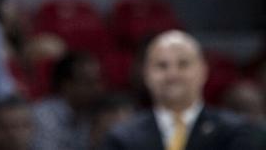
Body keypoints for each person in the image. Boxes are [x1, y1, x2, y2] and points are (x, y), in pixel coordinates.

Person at [100, 30, 261, 150]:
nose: (172, 75)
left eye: (183, 64)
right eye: (161, 66)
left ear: (203, 71)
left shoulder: (234, 132)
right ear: (146, 75)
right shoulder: (122, 137)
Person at [31, 51, 105, 150]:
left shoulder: (94, 114)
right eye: (89, 83)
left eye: (98, 81)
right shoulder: (43, 117)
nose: (97, 89)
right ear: (67, 85)